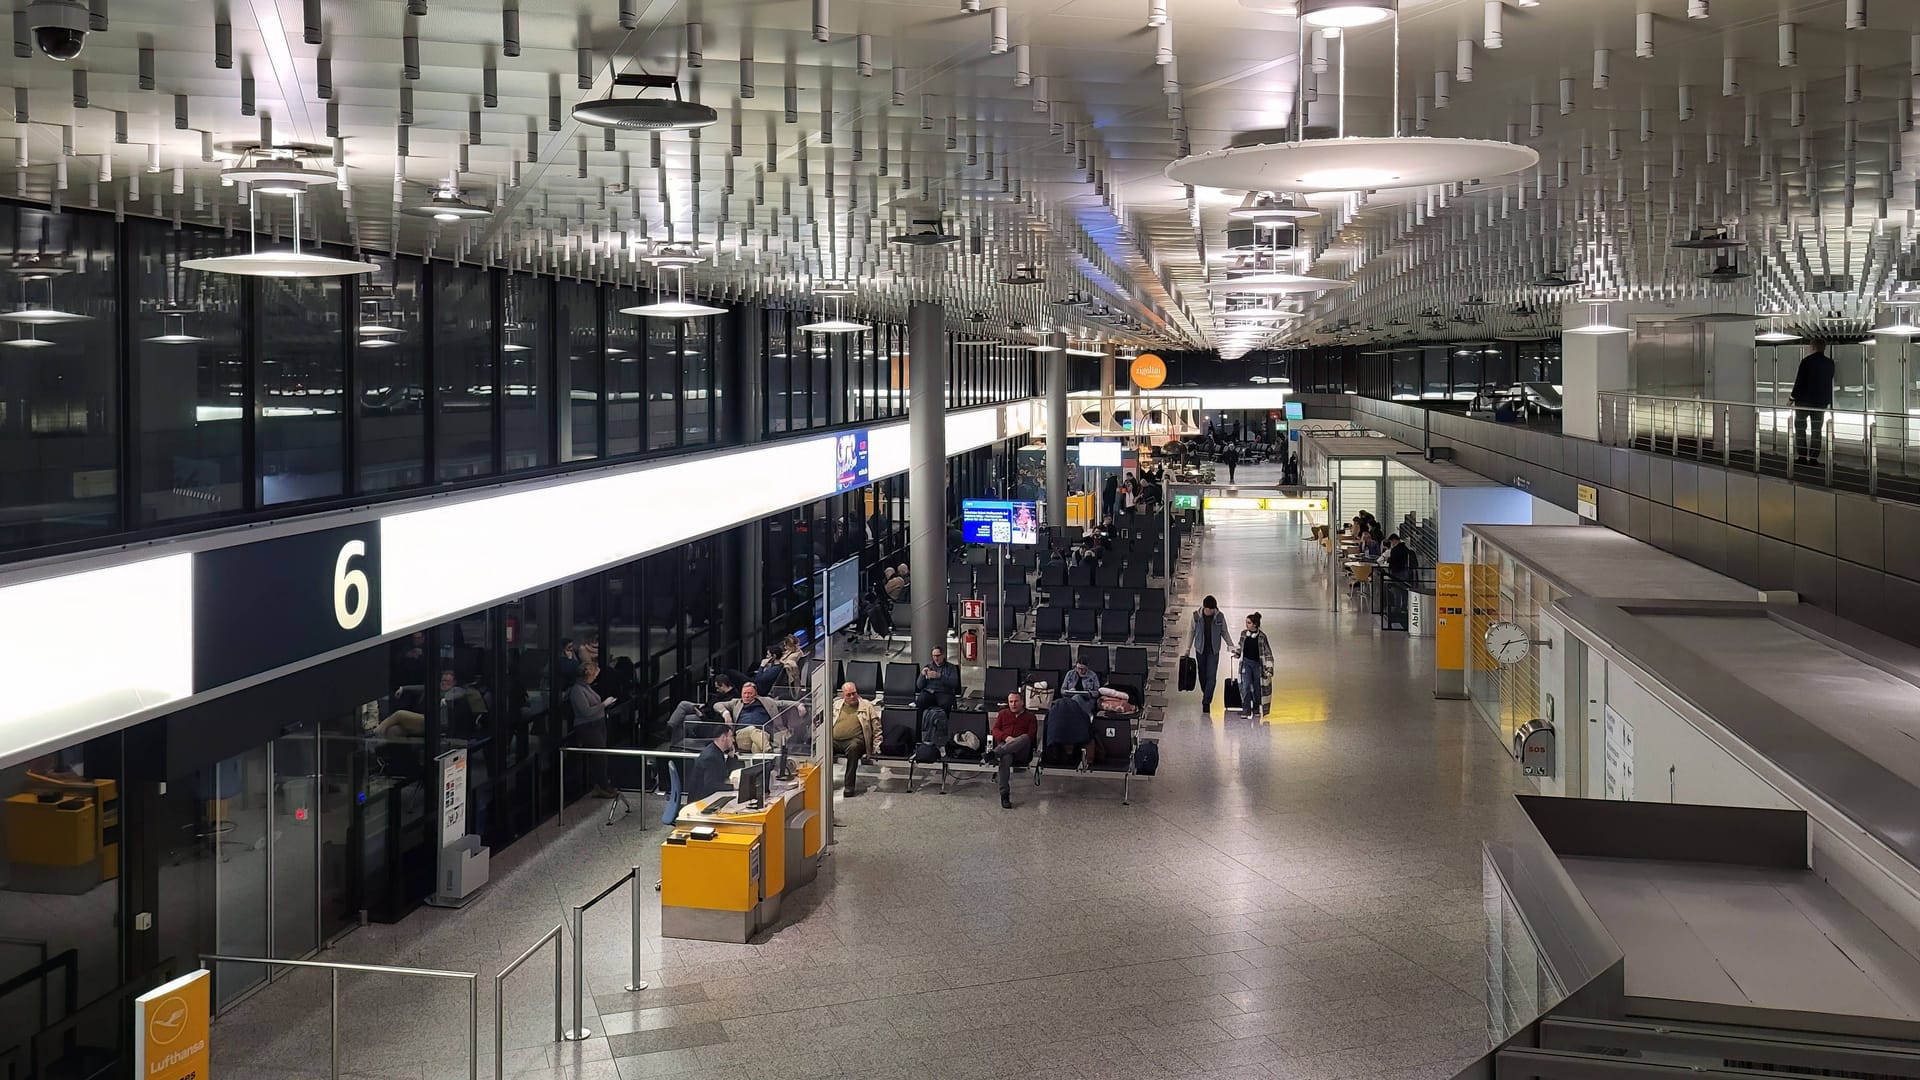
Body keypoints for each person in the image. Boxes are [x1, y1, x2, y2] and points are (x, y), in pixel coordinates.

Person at [568, 660, 617, 798]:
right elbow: (586, 711)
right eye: (594, 675)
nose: (595, 677)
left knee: (601, 756)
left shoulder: (587, 687)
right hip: (588, 726)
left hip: (598, 724)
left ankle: (601, 784)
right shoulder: (577, 690)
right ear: (587, 675)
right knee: (600, 756)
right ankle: (601, 785)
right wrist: (603, 704)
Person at [984, 691, 1037, 808]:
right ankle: (1004, 795)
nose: (1013, 704)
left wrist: (1015, 741)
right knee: (1005, 758)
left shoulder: (1030, 717)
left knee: (1024, 737)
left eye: (1016, 701)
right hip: (1006, 748)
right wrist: (1006, 737)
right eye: (1011, 702)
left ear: (1022, 702)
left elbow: (1032, 735)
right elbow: (995, 730)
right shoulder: (1003, 714)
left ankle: (995, 753)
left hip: (1022, 750)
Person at [830, 681, 880, 797]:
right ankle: (823, 782)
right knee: (825, 748)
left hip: (856, 740)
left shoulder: (867, 706)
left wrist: (876, 744)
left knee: (853, 748)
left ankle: (849, 786)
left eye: (854, 693)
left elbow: (877, 727)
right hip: (835, 740)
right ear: (843, 695)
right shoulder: (836, 705)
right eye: (849, 695)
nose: (852, 697)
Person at [1790, 342, 1835, 466]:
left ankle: (1802, 457)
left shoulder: (1806, 361)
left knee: (1800, 428)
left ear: (1813, 347)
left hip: (1803, 401)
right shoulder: (1830, 363)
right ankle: (1814, 458)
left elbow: (1799, 382)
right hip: (1821, 402)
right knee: (1816, 430)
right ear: (1824, 348)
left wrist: (1791, 397)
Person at [1186, 595, 1231, 713]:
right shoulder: (1196, 616)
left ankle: (1206, 701)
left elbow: (1224, 632)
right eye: (1209, 609)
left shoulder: (1219, 616)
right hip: (1200, 649)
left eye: (1213, 609)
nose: (1211, 611)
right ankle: (1206, 692)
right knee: (1202, 674)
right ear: (1204, 607)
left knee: (1211, 676)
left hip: (1213, 650)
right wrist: (1187, 648)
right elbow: (1191, 632)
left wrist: (1230, 645)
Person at [1231, 613, 1274, 721]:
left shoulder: (1262, 637)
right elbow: (1240, 647)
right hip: (1246, 664)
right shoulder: (1243, 634)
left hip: (1257, 666)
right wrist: (1237, 653)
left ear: (1255, 624)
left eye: (1249, 623)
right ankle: (1246, 710)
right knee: (1245, 686)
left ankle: (1256, 708)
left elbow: (1268, 653)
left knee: (1257, 687)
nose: (1246, 625)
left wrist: (1269, 668)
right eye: (1246, 622)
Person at [684, 726, 736, 806]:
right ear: (723, 737)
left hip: (706, 797)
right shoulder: (711, 757)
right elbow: (711, 786)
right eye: (731, 736)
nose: (733, 740)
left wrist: (731, 757)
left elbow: (723, 775)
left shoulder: (716, 751)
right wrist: (733, 786)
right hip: (701, 803)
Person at [1042, 693, 1093, 768]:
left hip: (1054, 756)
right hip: (1076, 752)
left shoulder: (1052, 713)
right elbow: (1088, 734)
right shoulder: (1083, 715)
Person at [913, 647, 959, 715]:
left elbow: (954, 683)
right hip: (929, 692)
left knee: (946, 704)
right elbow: (919, 686)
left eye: (938, 655)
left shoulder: (951, 668)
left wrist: (939, 676)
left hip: (944, 692)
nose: (936, 658)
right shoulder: (928, 666)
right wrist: (922, 675)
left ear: (943, 655)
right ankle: (919, 724)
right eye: (934, 656)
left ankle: (944, 724)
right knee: (920, 701)